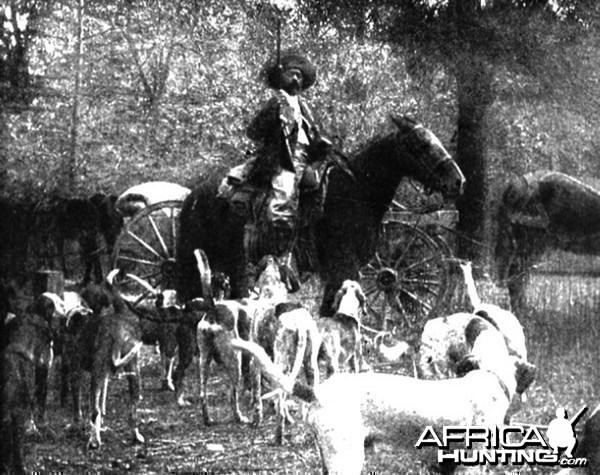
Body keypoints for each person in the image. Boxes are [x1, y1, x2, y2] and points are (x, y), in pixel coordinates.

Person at [245, 51, 332, 249]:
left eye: (299, 76)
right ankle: (273, 254)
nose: (295, 79)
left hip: (308, 160)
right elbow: (253, 132)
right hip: (282, 160)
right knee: (282, 201)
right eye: (291, 74)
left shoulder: (305, 108)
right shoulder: (275, 101)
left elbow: (317, 135)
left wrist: (323, 144)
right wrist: (276, 111)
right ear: (281, 78)